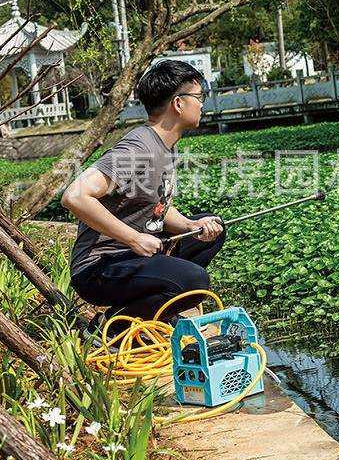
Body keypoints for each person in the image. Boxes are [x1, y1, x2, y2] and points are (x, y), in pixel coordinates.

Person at [62, 60, 225, 331]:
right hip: (101, 267)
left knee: (212, 228)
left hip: (134, 256)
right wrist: (133, 238)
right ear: (178, 103)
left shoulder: (166, 146)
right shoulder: (140, 147)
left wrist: (189, 226)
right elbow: (75, 196)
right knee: (194, 282)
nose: (202, 104)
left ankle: (154, 309)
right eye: (199, 97)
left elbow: (156, 207)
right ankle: (111, 324)